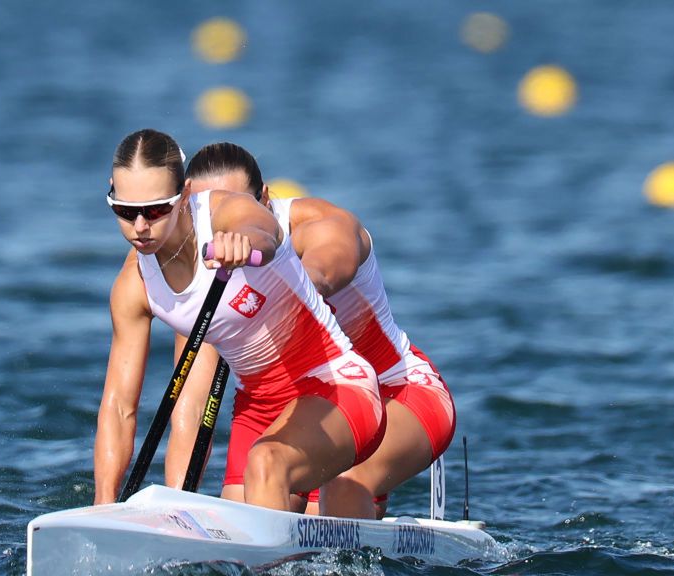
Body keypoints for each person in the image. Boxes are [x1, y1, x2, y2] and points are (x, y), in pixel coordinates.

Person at [94, 129, 387, 517]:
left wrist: (244, 242)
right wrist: (102, 510)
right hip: (261, 410)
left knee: (264, 464)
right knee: (233, 513)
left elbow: (260, 226)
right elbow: (119, 407)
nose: (141, 226)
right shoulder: (133, 284)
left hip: (339, 390)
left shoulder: (222, 210)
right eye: (125, 212)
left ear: (185, 197)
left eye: (156, 210)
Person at [164, 142, 456, 519]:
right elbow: (191, 409)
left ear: (264, 201)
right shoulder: (199, 267)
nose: (227, 227)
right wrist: (174, 514)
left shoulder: (320, 224)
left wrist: (276, 289)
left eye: (237, 207)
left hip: (395, 392)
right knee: (237, 518)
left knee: (339, 482)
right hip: (283, 406)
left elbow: (324, 269)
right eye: (212, 211)